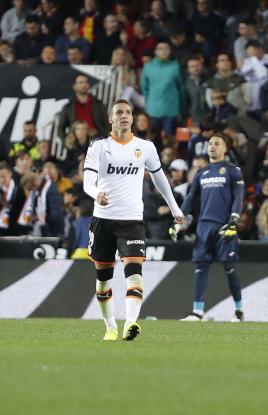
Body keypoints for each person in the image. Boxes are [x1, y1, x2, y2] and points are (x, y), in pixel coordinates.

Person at [83, 99, 184, 341]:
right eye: (119, 112)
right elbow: (87, 180)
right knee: (103, 280)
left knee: (134, 275)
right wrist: (96, 193)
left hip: (132, 221)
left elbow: (160, 179)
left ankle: (130, 324)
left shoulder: (146, 147)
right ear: (111, 118)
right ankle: (109, 326)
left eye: (128, 112)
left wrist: (174, 208)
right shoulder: (98, 146)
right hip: (103, 219)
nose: (125, 116)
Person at [170, 134, 245, 322]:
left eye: (217, 143)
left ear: (225, 148)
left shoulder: (232, 171)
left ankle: (239, 311)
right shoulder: (201, 173)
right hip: (203, 226)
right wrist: (178, 223)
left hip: (224, 227)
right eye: (210, 143)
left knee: (229, 267)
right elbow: (189, 200)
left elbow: (238, 197)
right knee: (200, 267)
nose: (212, 146)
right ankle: (197, 312)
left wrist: (233, 220)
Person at [57, 74, 107, 139]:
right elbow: (60, 129)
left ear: (89, 85)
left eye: (86, 82)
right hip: (76, 144)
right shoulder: (68, 107)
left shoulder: (98, 104)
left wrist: (102, 137)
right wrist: (67, 143)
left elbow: (108, 124)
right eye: (80, 82)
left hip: (96, 141)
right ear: (75, 86)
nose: (84, 85)